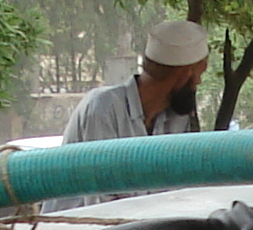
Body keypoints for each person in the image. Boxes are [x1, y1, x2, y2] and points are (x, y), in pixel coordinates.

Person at [61, 19, 210, 144]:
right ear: (183, 76)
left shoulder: (176, 119)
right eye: (199, 76)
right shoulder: (103, 108)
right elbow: (102, 176)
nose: (198, 83)